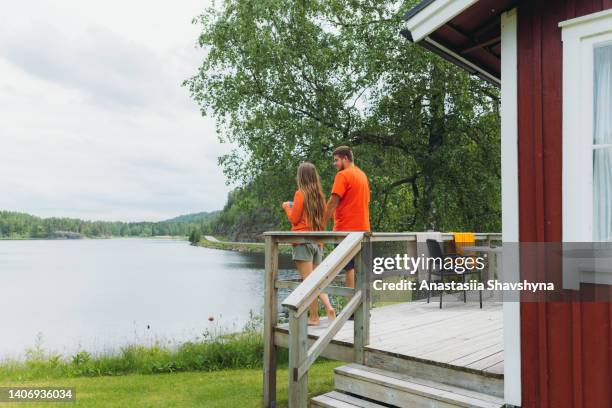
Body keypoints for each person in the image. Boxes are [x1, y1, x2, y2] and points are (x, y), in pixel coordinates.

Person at [282, 162, 336, 326]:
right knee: (314, 280)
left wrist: (286, 207)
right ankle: (314, 317)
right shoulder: (320, 195)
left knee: (309, 282)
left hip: (303, 242)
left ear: (301, 177)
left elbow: (294, 219)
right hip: (317, 243)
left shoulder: (300, 194)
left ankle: (327, 307)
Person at [324, 146, 370, 295]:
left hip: (346, 230)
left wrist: (320, 226)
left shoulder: (343, 175)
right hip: (363, 229)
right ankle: (362, 306)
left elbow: (332, 202)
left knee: (349, 267)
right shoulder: (362, 175)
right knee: (359, 268)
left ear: (345, 158)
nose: (335, 163)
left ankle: (351, 309)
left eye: (336, 160)